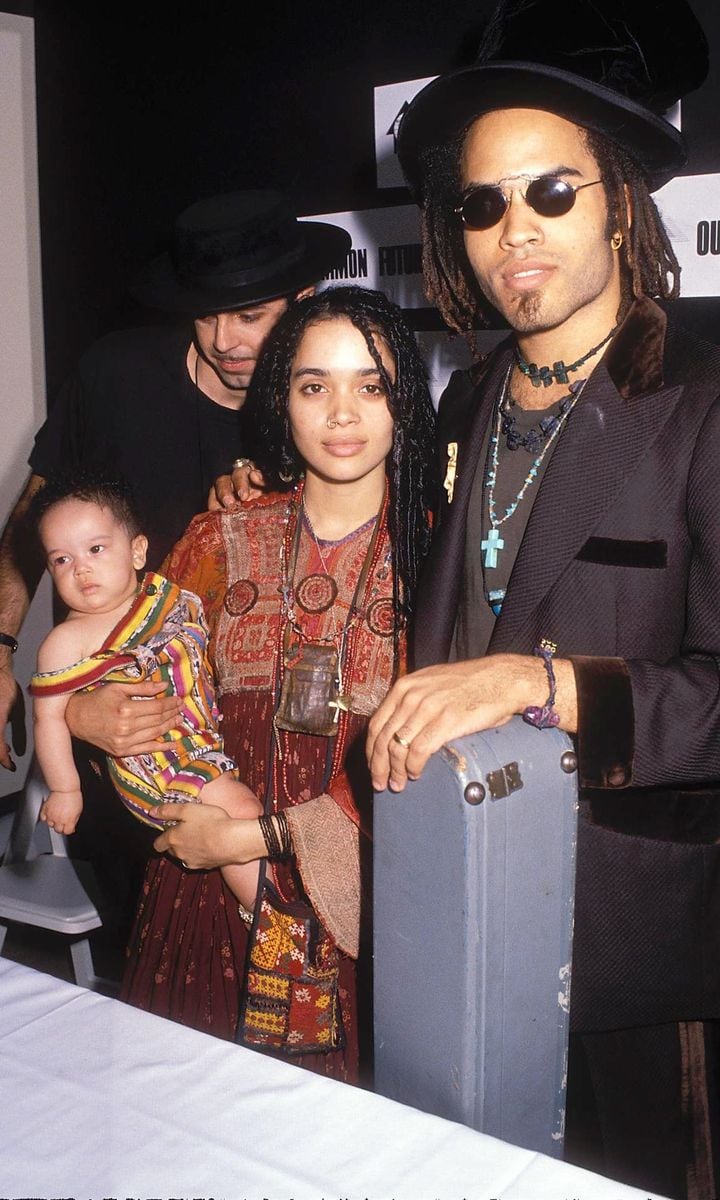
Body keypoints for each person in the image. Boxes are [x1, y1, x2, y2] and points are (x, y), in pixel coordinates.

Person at [362, 1, 719, 1197]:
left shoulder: (703, 408)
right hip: (456, 916)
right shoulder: (464, 408)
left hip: (629, 962)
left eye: (551, 193)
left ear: (620, 199)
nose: (515, 232)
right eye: (482, 204)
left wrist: (548, 685)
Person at [0, 190, 350, 944]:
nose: (225, 339)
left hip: (256, 754)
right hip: (119, 773)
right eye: (206, 313)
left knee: (286, 965)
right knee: (159, 967)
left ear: (303, 300)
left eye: (251, 314)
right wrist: (6, 654)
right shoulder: (115, 375)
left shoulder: (324, 411)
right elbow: (35, 520)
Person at [118, 285, 437, 1083]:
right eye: (313, 385)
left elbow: (438, 763)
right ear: (280, 399)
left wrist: (255, 842)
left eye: (371, 385)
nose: (341, 414)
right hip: (201, 884)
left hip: (357, 909)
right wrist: (90, 713)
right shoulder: (223, 534)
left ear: (404, 403)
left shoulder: (440, 555)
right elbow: (140, 681)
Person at [26, 470, 262, 912]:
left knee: (249, 811)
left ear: (137, 551)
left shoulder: (160, 594)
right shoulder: (68, 640)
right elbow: (49, 719)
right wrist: (65, 790)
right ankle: (269, 920)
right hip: (160, 761)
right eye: (61, 559)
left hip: (204, 734)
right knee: (240, 812)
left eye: (96, 549)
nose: (81, 568)